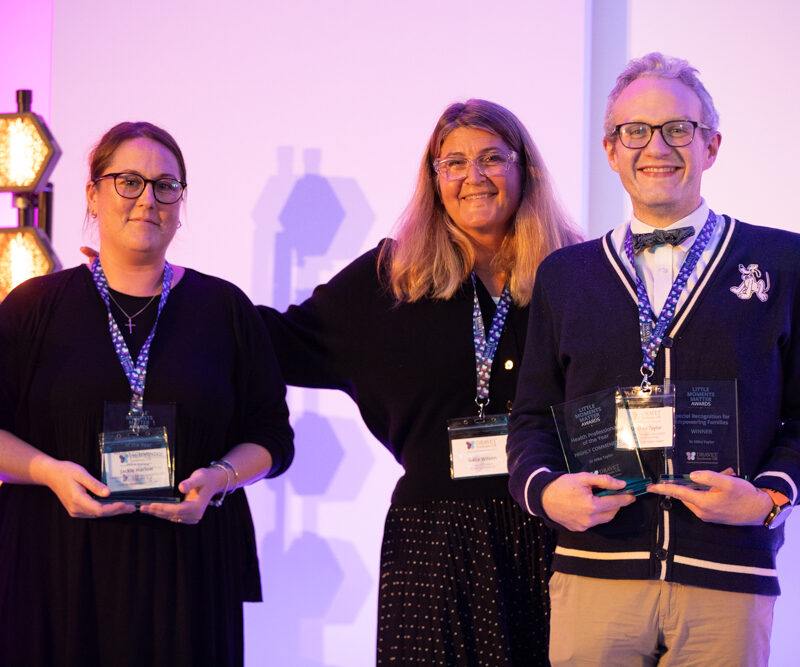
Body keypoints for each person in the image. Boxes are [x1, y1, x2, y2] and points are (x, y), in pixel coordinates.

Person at [261, 99, 581, 664]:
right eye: (452, 163)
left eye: (491, 158)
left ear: (523, 169)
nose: (472, 177)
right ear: (434, 178)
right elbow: (280, 341)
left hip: (552, 532)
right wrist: (170, 291)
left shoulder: (574, 275)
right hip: (433, 544)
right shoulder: (392, 277)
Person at [508, 52, 800, 666]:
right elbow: (532, 416)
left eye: (677, 129)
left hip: (728, 574)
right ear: (611, 150)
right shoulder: (566, 275)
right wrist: (545, 492)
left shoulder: (781, 262)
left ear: (711, 144)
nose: (656, 147)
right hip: (595, 572)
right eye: (634, 131)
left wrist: (769, 498)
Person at [0, 121, 294, 667]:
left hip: (189, 569)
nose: (148, 200)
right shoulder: (33, 306)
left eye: (166, 185)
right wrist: (47, 471)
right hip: (55, 569)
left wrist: (220, 479)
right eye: (128, 182)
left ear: (182, 202)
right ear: (93, 193)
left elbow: (273, 436)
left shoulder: (225, 309)